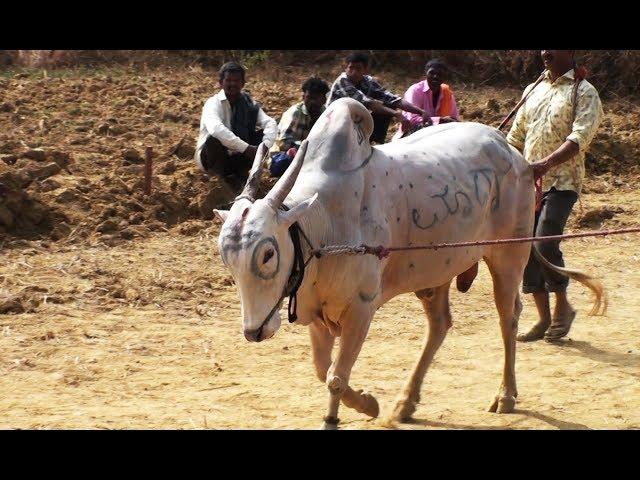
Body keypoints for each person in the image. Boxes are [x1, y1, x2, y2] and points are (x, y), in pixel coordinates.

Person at [507, 50, 603, 342]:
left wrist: (544, 165)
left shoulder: (584, 92)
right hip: (527, 182)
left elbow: (579, 138)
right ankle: (542, 318)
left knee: (545, 241)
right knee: (524, 249)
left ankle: (563, 308)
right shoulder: (533, 89)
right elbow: (515, 136)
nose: (545, 52)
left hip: (562, 181)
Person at [195, 62, 277, 190]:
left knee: (261, 136)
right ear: (221, 82)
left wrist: (265, 145)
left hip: (238, 156)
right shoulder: (213, 103)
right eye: (228, 80)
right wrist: (247, 148)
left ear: (243, 83)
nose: (232, 84)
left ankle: (240, 173)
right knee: (214, 139)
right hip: (214, 159)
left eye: (236, 80)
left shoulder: (248, 103)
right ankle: (220, 180)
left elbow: (270, 122)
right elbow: (216, 129)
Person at [327, 52, 431, 144]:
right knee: (382, 108)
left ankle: (372, 142)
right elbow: (368, 103)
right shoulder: (343, 81)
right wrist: (396, 114)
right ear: (346, 68)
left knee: (387, 105)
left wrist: (420, 111)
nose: (354, 72)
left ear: (365, 70)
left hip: (353, 120)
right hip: (333, 122)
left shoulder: (368, 81)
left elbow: (393, 99)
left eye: (358, 68)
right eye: (351, 68)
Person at [268, 77, 329, 177]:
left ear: (324, 100)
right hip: (284, 156)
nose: (312, 102)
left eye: (316, 98)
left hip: (311, 156)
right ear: (303, 96)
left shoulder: (326, 115)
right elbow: (284, 143)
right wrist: (311, 148)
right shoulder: (295, 113)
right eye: (309, 97)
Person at [393, 59, 460, 140]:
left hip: (439, 134)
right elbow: (412, 120)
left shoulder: (447, 93)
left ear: (445, 77)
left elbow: (454, 118)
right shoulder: (415, 90)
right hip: (412, 135)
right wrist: (440, 120)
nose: (435, 77)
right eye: (432, 73)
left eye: (440, 74)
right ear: (426, 73)